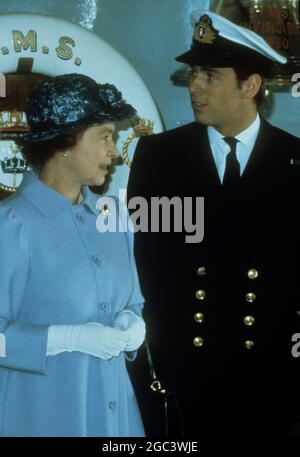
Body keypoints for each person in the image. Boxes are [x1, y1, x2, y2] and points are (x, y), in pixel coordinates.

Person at [127, 11, 300, 437]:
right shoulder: (159, 157)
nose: (195, 86)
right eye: (193, 74)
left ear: (252, 85)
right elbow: (147, 264)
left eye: (210, 75)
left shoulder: (294, 161)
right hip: (183, 378)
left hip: (271, 381)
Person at [0, 73, 146, 437]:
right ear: (64, 143)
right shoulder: (13, 225)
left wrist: (133, 321)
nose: (114, 151)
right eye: (104, 137)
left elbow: (133, 303)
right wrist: (66, 338)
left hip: (116, 422)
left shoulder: (115, 218)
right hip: (40, 418)